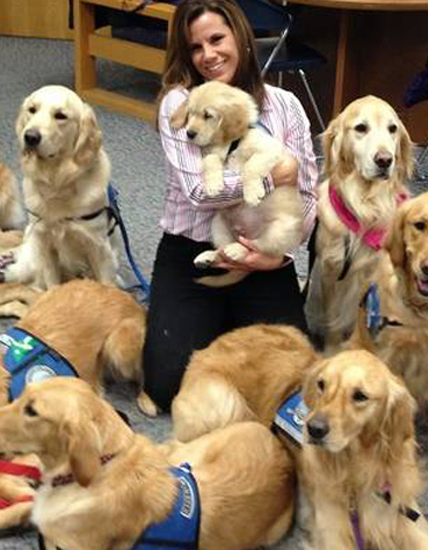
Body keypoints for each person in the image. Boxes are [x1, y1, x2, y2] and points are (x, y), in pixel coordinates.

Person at [142, 0, 318, 412]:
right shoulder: (181, 105)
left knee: (294, 380)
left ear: (240, 36)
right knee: (167, 386)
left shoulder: (284, 106)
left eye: (217, 39)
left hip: (265, 249)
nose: (208, 55)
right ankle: (208, 320)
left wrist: (277, 256)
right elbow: (200, 192)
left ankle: (218, 323)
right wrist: (276, 175)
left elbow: (307, 193)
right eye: (196, 47)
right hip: (195, 250)